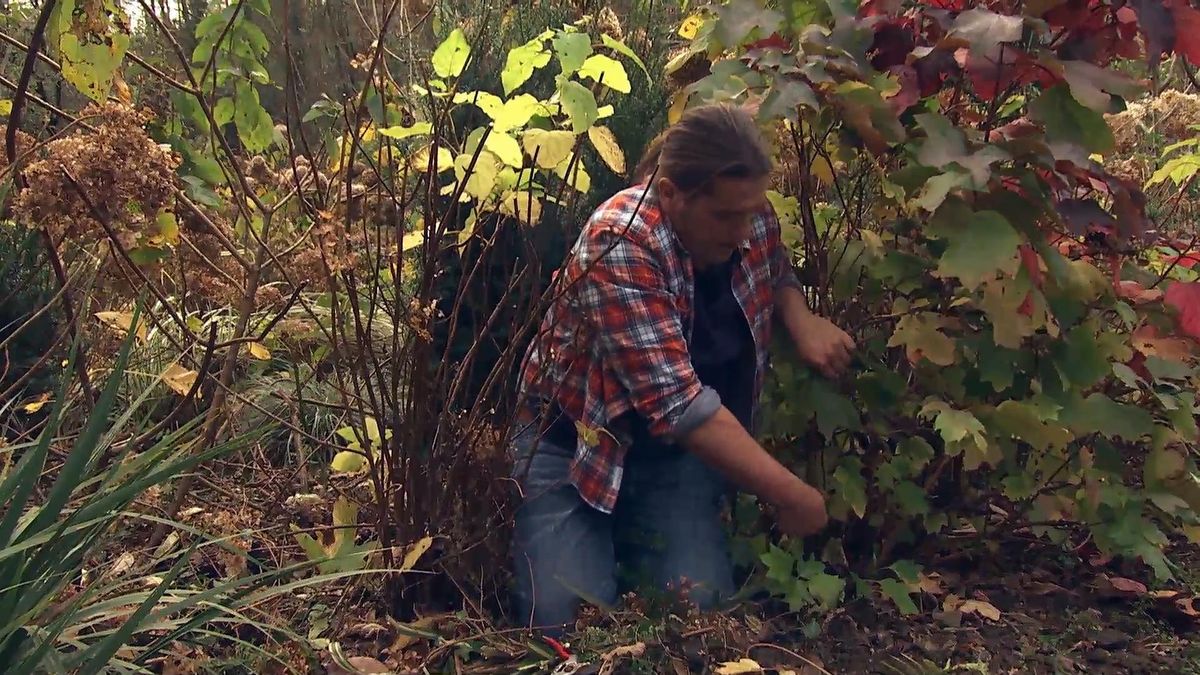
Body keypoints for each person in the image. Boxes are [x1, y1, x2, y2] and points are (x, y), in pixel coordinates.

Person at [508, 103, 855, 635]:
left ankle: (637, 536)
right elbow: (680, 408)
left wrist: (800, 318)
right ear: (670, 194)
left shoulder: (746, 212)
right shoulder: (620, 242)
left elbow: (774, 266)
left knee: (703, 615)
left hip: (670, 459)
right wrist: (792, 495)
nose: (744, 231)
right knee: (568, 627)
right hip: (574, 450)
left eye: (751, 213)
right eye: (726, 217)